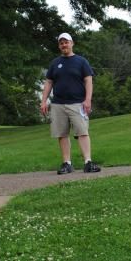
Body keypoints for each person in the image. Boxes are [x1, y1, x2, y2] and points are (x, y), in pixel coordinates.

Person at [40, 32, 102, 174]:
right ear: (59, 46)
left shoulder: (81, 61)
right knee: (62, 134)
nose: (64, 45)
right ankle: (67, 163)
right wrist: (43, 101)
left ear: (72, 43)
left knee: (82, 132)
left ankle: (88, 162)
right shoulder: (55, 63)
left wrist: (88, 99)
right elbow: (49, 82)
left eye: (66, 42)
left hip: (78, 103)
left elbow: (88, 81)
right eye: (61, 43)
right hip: (58, 104)